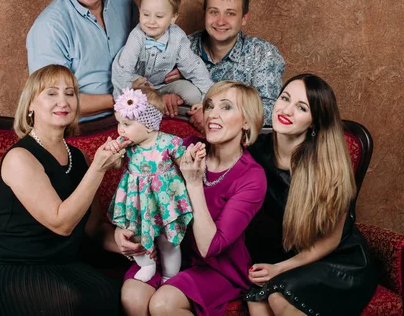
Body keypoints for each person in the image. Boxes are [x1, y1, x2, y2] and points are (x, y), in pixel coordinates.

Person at [0, 65, 142, 316]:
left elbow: (94, 226)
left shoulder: (77, 157)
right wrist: (98, 169)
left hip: (58, 263)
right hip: (6, 266)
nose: (63, 101)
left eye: (70, 93)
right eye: (51, 93)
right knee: (69, 303)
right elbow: (62, 223)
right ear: (30, 105)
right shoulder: (20, 157)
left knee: (108, 294)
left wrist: (121, 242)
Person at [117, 81, 268, 316]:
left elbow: (211, 248)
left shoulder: (252, 177)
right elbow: (140, 192)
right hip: (168, 251)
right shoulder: (184, 147)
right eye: (209, 105)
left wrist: (194, 183)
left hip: (216, 267)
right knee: (133, 299)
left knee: (163, 305)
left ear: (247, 120)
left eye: (226, 107)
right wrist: (122, 232)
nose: (212, 115)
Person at [245, 74, 377, 316]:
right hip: (293, 257)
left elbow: (330, 241)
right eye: (285, 98)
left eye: (302, 107)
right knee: (256, 299)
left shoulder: (328, 166)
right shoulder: (255, 152)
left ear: (314, 122)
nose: (287, 110)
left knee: (279, 296)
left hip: (339, 261)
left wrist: (279, 268)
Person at [26, 0, 138, 121]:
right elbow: (52, 101)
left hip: (133, 117)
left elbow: (145, 48)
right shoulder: (49, 28)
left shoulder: (123, 0)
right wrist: (124, 99)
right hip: (80, 130)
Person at [166, 0, 285, 128]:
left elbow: (272, 109)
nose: (220, 21)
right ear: (205, 14)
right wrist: (169, 94)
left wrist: (216, 114)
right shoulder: (182, 47)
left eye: (230, 13)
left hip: (243, 146)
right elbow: (149, 87)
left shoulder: (263, 54)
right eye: (214, 12)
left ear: (244, 19)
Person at [106, 87, 193, 283]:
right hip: (136, 201)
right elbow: (117, 164)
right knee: (133, 235)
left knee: (168, 240)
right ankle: (147, 264)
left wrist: (192, 160)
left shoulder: (169, 142)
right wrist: (113, 152)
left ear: (149, 125)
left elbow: (186, 167)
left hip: (163, 203)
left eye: (126, 124)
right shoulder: (127, 145)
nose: (120, 129)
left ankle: (170, 276)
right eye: (119, 123)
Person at [111, 0, 213, 116]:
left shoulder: (177, 37)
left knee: (193, 94)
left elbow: (193, 66)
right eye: (146, 14)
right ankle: (149, 105)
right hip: (138, 85)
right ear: (140, 11)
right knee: (136, 92)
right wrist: (123, 100)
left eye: (159, 16)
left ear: (173, 18)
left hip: (163, 86)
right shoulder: (137, 36)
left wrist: (208, 99)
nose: (151, 21)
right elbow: (122, 69)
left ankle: (164, 104)